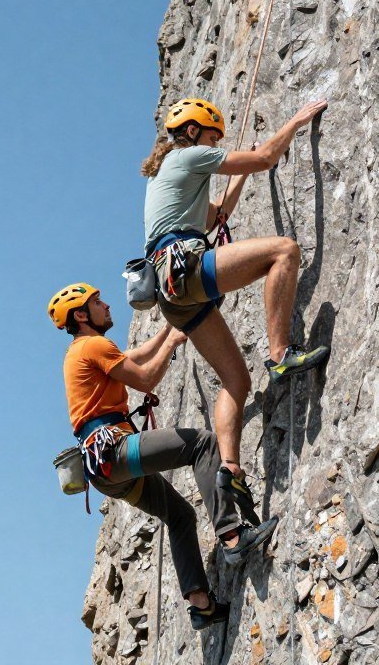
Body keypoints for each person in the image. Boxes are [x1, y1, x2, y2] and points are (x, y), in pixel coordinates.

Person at [140, 97, 332, 522]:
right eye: (212, 136)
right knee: (284, 252)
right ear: (192, 132)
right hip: (184, 266)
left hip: (172, 294)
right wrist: (295, 122)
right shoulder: (191, 155)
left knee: (236, 381)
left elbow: (216, 216)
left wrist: (240, 171)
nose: (216, 144)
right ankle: (281, 354)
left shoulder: (165, 174)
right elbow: (264, 157)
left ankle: (229, 466)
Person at [48, 283, 278, 630]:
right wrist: (172, 342)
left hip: (105, 473)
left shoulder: (83, 350)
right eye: (98, 303)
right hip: (115, 451)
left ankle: (201, 606)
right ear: (81, 315)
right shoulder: (93, 345)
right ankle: (232, 537)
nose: (107, 305)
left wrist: (172, 327)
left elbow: (136, 356)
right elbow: (145, 379)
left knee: (180, 516)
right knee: (202, 444)